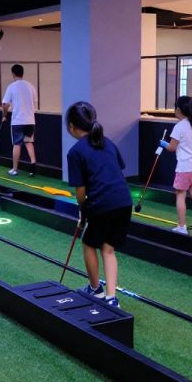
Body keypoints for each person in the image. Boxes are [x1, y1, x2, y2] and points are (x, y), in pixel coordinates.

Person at [66, 101, 132, 308]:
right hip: (124, 201)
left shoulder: (75, 152)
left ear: (71, 126)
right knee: (108, 249)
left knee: (88, 243)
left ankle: (95, 289)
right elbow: (116, 171)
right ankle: (112, 298)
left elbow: (80, 193)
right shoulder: (108, 142)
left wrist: (82, 210)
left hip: (102, 203)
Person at [158, 96, 192, 235]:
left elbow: (172, 148)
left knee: (180, 194)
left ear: (179, 110)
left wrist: (162, 143)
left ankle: (181, 227)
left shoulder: (179, 127)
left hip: (186, 166)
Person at [1, 64, 38, 177]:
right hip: (30, 120)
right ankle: (33, 166)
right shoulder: (30, 86)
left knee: (17, 144)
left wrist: (4, 115)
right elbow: (34, 101)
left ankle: (15, 169)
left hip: (18, 120)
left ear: (13, 74)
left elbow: (5, 104)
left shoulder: (11, 87)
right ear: (22, 73)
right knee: (29, 142)